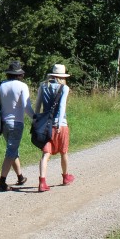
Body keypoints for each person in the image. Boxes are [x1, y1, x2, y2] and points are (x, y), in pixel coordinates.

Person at [33, 64, 75, 192]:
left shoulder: (43, 86)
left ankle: (42, 181)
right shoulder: (64, 88)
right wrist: (59, 124)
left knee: (46, 153)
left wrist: (36, 119)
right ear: (62, 76)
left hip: (46, 124)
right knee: (63, 152)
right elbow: (62, 106)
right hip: (60, 123)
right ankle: (66, 177)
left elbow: (38, 105)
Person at [0, 61, 33, 191]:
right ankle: (2, 181)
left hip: (4, 122)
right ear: (19, 74)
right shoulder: (22, 86)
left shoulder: (0, 85)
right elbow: (26, 107)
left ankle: (20, 177)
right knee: (11, 151)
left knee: (13, 149)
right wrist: (36, 118)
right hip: (16, 123)